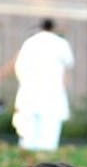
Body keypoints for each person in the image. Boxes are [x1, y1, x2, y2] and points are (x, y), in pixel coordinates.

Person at [12, 19, 75, 152]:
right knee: (50, 125)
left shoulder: (30, 43)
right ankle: (47, 151)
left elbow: (19, 66)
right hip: (52, 90)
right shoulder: (61, 43)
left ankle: (28, 149)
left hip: (31, 89)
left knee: (29, 125)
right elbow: (68, 63)